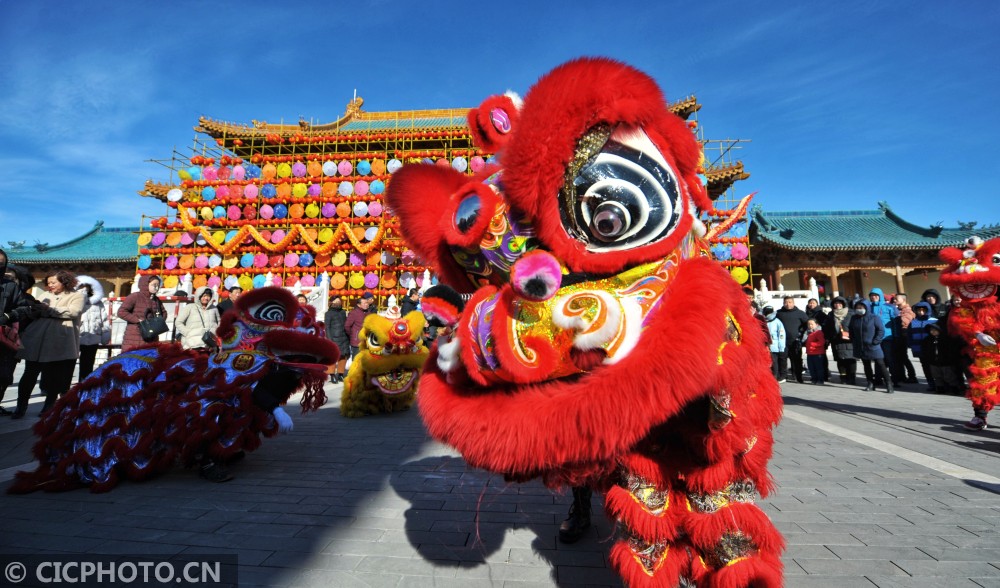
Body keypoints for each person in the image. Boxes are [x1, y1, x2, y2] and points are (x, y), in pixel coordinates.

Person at [14, 271, 86, 417]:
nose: (50, 285)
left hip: (58, 338)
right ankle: (21, 406)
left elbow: (73, 312)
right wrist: (36, 310)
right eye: (49, 283)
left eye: (54, 282)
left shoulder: (76, 295)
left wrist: (49, 310)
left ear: (64, 281)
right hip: (37, 337)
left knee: (54, 376)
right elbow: (34, 311)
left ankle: (49, 406)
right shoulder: (44, 295)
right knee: (29, 373)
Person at [0, 250, 36, 416]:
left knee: (3, 377)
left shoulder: (10, 286)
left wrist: (8, 316)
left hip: (2, 340)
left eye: (1, 263)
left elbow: (24, 308)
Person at [849, 300, 893, 393]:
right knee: (866, 365)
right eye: (857, 307)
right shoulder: (854, 318)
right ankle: (870, 383)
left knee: (881, 364)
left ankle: (889, 384)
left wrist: (876, 341)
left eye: (861, 307)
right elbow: (851, 330)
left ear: (866, 307)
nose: (859, 309)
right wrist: (853, 340)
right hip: (861, 346)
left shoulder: (874, 317)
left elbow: (881, 330)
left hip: (873, 345)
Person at [117, 275, 167, 352]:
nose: (156, 288)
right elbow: (121, 312)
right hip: (135, 335)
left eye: (158, 285)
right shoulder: (135, 296)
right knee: (133, 359)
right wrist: (138, 320)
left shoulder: (156, 300)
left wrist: (158, 322)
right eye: (154, 285)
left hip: (152, 335)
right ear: (145, 285)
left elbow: (163, 312)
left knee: (149, 360)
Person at [76, 276, 110, 380]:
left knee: (88, 362)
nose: (85, 289)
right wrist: (82, 296)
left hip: (93, 336)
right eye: (82, 287)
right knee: (70, 363)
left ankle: (85, 383)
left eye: (87, 287)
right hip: (77, 336)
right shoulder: (75, 301)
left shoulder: (98, 303)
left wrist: (106, 335)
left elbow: (104, 319)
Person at [919, 323, 963, 398]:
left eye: (935, 330)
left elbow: (950, 350)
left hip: (945, 362)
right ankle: (940, 388)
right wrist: (927, 358)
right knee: (937, 376)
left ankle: (955, 389)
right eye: (931, 330)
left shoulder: (945, 339)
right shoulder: (927, 340)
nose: (933, 332)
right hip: (933, 361)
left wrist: (950, 359)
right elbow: (925, 350)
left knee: (949, 376)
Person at [868, 288, 901, 387]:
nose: (873, 297)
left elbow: (895, 323)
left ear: (880, 296)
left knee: (889, 359)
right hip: (874, 338)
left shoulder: (889, 307)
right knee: (877, 359)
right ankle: (878, 379)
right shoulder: (868, 308)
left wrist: (896, 335)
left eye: (876, 295)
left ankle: (895, 379)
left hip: (887, 337)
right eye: (872, 296)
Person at [822, 296, 856, 385]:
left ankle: (852, 377)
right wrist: (827, 339)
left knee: (851, 359)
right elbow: (827, 328)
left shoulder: (851, 313)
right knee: (840, 360)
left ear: (843, 304)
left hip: (849, 340)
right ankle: (843, 377)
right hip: (836, 340)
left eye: (840, 303)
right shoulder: (830, 314)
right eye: (836, 303)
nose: (838, 305)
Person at [175, 287, 220, 351]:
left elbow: (219, 322)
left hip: (209, 343)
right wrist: (188, 333)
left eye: (208, 296)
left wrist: (215, 332)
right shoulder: (190, 307)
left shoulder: (214, 308)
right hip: (192, 344)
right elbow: (178, 322)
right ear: (199, 296)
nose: (206, 298)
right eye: (204, 296)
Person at [776, 296, 808, 383]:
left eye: (790, 302)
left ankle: (798, 376)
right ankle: (783, 376)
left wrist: (801, 333)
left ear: (793, 303)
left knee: (797, 359)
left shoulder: (800, 313)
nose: (788, 304)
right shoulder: (779, 313)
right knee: (782, 358)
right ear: (783, 303)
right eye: (786, 302)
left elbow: (807, 324)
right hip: (782, 341)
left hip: (795, 341)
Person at [908, 301, 937, 391]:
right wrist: (911, 345)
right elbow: (909, 335)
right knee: (925, 366)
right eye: (919, 310)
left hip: (932, 348)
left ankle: (939, 383)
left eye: (923, 310)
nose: (921, 312)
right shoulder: (913, 322)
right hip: (919, 348)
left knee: (934, 366)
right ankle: (931, 383)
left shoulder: (934, 321)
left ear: (927, 310)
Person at [892, 293, 919, 384]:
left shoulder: (907, 310)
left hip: (903, 337)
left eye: (896, 299)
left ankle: (912, 376)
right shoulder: (898, 310)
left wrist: (898, 316)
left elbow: (905, 323)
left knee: (903, 357)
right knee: (899, 357)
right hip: (898, 337)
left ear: (903, 300)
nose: (894, 300)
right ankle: (902, 376)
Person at [324, 295, 350, 383]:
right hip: (334, 337)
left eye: (339, 301)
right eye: (336, 301)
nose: (338, 303)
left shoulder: (343, 312)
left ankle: (340, 374)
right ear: (331, 303)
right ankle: (332, 374)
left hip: (344, 337)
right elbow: (327, 327)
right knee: (333, 357)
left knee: (343, 356)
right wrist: (329, 339)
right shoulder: (328, 314)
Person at [345, 292, 376, 359]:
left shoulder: (369, 313)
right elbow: (347, 326)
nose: (367, 305)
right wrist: (353, 334)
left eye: (367, 303)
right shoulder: (354, 313)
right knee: (357, 360)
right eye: (364, 303)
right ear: (359, 305)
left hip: (367, 341)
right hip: (357, 342)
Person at [763, 306, 787, 382]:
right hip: (764, 346)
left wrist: (781, 346)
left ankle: (774, 376)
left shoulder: (777, 322)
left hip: (774, 346)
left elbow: (781, 335)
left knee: (774, 362)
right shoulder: (762, 321)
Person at [803, 318, 826, 385]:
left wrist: (812, 344)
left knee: (819, 368)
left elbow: (821, 342)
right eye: (809, 324)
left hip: (818, 353)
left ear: (816, 324)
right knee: (811, 367)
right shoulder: (808, 332)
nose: (810, 325)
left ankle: (820, 380)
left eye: (812, 324)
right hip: (810, 352)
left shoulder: (818, 332)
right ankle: (814, 379)